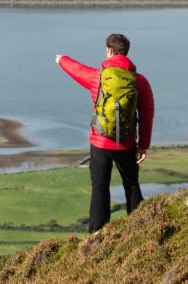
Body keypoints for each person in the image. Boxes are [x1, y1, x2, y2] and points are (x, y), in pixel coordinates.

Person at [56, 33, 154, 232]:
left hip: (100, 142)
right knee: (132, 185)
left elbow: (77, 70)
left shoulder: (97, 77)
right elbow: (147, 114)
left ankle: (97, 234)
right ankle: (139, 228)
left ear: (109, 51)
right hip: (126, 143)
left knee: (100, 188)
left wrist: (61, 60)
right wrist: (143, 144)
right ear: (126, 51)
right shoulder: (139, 81)